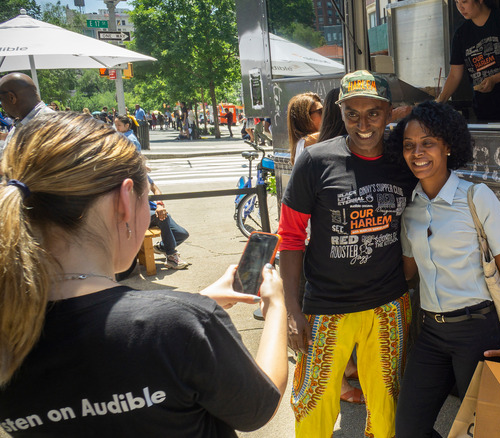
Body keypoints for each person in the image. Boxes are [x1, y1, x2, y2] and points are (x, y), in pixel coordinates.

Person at [0, 112, 289, 436]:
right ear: (125, 199)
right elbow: (259, 407)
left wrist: (197, 302)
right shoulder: (182, 325)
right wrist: (276, 306)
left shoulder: (10, 328)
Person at [278, 70, 417, 437]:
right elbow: (290, 239)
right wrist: (292, 311)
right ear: (341, 113)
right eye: (352, 113)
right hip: (326, 308)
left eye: (373, 112)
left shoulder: (404, 163)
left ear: (389, 113)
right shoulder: (316, 161)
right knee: (313, 406)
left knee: (387, 405)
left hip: (387, 307)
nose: (363, 123)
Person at [386, 101, 500, 437]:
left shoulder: (476, 197)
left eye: (428, 143)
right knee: (408, 428)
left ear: (448, 146)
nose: (417, 153)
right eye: (409, 146)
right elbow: (407, 273)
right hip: (431, 334)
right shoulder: (410, 209)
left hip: (478, 332)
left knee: (488, 431)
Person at [435, 0, 500, 121]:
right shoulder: (461, 34)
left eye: (464, 2)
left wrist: (494, 79)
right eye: (456, 2)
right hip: (483, 112)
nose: (460, 7)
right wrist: (439, 101)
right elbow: (454, 75)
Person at [0, 73, 55, 154]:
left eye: (1, 100)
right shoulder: (23, 122)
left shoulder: (48, 125)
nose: (1, 105)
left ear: (11, 98)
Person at [146, 177, 191, 270]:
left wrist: (159, 204)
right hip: (137, 214)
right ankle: (171, 256)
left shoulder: (140, 171)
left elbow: (156, 190)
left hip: (151, 209)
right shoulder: (124, 173)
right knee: (162, 217)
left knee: (182, 234)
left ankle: (160, 247)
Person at [286, 92, 323, 164]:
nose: (325, 114)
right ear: (305, 117)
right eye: (320, 111)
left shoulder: (300, 143)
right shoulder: (310, 140)